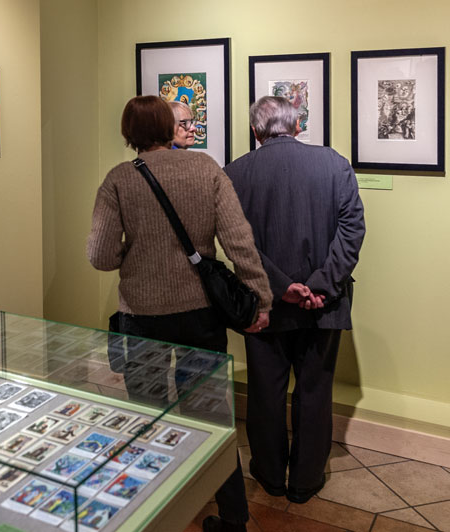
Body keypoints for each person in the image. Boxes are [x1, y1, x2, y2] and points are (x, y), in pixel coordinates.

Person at [88, 95, 272, 532]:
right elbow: (239, 241)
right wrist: (260, 298)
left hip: (142, 314)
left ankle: (155, 512)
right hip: (201, 312)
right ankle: (233, 517)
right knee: (210, 414)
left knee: (148, 414)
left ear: (129, 132)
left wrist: (136, 254)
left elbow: (98, 256)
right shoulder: (206, 168)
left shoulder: (118, 179)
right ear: (167, 127)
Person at [224, 96, 365, 504]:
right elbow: (352, 229)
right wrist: (321, 284)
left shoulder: (234, 173)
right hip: (325, 303)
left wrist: (283, 286)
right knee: (315, 392)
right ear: (297, 125)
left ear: (256, 131)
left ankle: (269, 475)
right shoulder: (334, 163)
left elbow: (238, 244)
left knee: (265, 393)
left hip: (265, 304)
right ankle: (305, 481)